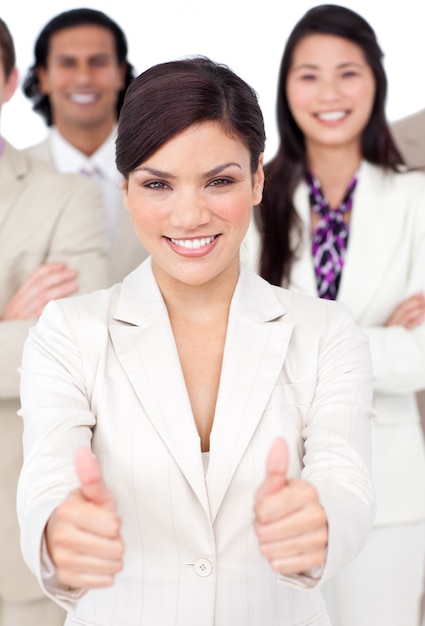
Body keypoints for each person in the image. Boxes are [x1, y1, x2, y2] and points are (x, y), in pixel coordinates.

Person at [17, 56, 375, 626]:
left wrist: (322, 519)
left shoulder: (326, 332)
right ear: (126, 189)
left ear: (258, 179)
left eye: (220, 181)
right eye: (158, 184)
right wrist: (61, 530)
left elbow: (344, 475)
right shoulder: (68, 332)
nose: (189, 214)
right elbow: (48, 472)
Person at [249, 5, 425, 625]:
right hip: (271, 481)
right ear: (284, 88)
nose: (329, 93)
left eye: (347, 72)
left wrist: (292, 340)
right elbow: (232, 343)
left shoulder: (416, 200)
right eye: (308, 75)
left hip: (392, 487)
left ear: (376, 81)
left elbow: (423, 356)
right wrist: (379, 339)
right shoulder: (250, 198)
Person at [0, 17, 109, 626]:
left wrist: (38, 333)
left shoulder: (68, 195)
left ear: (11, 81)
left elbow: (72, 351)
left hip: (12, 535)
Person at [22, 8, 148, 286]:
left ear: (120, 73)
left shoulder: (164, 164)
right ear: (43, 77)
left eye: (98, 62)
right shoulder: (8, 177)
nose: (83, 78)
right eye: (67, 63)